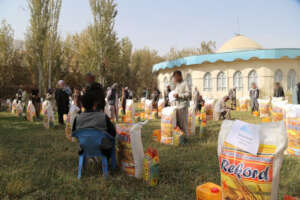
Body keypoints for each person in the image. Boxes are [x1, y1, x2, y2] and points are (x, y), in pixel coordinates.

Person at [72, 89, 116, 158]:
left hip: (83, 147)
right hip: (103, 149)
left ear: (82, 105)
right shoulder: (103, 117)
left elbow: (74, 133)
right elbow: (113, 133)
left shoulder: (77, 118)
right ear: (95, 104)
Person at [172, 70, 191, 139]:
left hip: (183, 106)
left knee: (183, 123)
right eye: (174, 77)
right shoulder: (177, 85)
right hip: (177, 106)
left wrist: (179, 95)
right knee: (178, 123)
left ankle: (185, 138)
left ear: (180, 76)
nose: (175, 79)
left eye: (176, 77)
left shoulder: (185, 83)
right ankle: (180, 138)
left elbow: (188, 94)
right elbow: (176, 94)